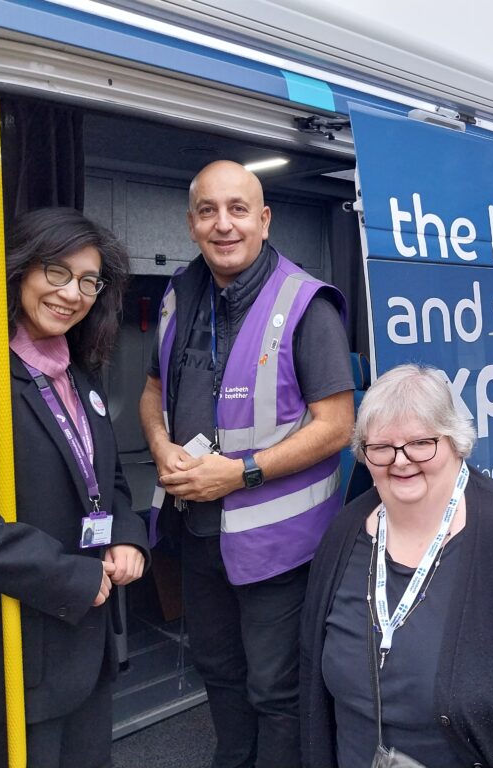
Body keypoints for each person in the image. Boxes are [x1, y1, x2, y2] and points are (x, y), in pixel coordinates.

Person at [139, 160, 354, 768]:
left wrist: (242, 473)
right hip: (198, 534)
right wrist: (158, 445)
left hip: (278, 549)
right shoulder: (180, 294)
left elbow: (337, 426)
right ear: (191, 224)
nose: (223, 224)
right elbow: (153, 392)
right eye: (208, 210)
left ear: (263, 220)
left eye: (238, 209)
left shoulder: (307, 304)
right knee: (219, 671)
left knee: (275, 689)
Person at [0, 207, 150, 768]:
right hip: (17, 654)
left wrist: (126, 535)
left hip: (88, 644)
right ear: (19, 271)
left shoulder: (82, 378)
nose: (73, 293)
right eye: (57, 272)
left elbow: (109, 479)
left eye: (89, 281)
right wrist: (75, 575)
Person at [300, 364, 493, 768]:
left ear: (455, 441)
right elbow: (311, 669)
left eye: (420, 443)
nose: (401, 461)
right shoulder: (344, 534)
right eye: (381, 447)